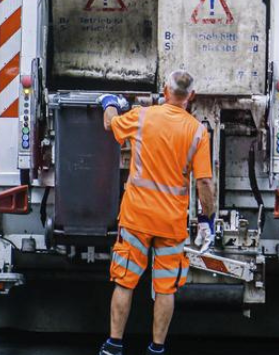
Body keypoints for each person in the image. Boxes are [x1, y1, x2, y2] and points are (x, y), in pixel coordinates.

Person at [97, 70, 217, 355]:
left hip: (136, 217)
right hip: (171, 223)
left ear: (165, 91)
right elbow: (204, 182)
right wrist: (206, 219)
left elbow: (110, 124)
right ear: (192, 97)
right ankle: (157, 347)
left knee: (125, 282)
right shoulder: (197, 132)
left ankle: (114, 344)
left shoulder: (142, 117)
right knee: (166, 289)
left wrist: (109, 102)